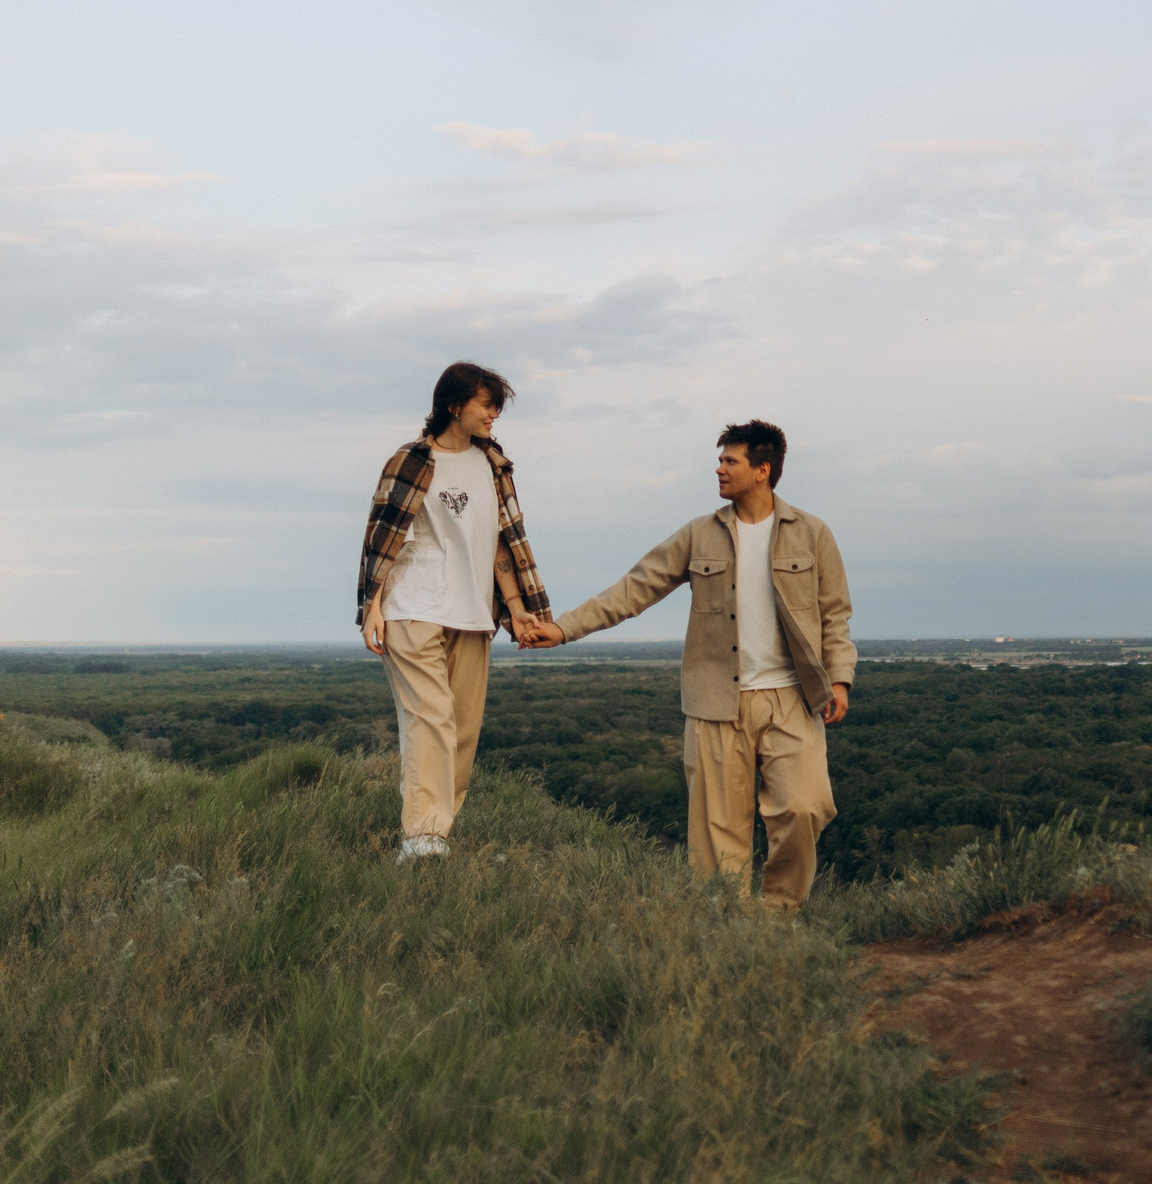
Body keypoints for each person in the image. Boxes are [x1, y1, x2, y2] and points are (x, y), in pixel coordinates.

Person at [525, 421, 855, 912]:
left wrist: (840, 678)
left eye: (730, 461)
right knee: (718, 838)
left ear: (762, 470)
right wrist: (564, 627)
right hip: (715, 702)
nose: (718, 469)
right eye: (720, 460)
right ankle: (729, 931)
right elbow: (635, 588)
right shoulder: (700, 534)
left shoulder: (812, 533)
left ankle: (779, 917)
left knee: (804, 808)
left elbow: (835, 614)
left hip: (792, 698)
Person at [358, 362, 562, 863]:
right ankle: (423, 839)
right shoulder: (411, 461)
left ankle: (433, 828)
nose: (495, 415)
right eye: (486, 405)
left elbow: (501, 545)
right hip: (412, 607)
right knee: (431, 719)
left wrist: (517, 609)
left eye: (497, 407)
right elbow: (383, 539)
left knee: (462, 731)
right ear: (454, 406)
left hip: (472, 613)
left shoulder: (493, 465)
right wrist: (372, 608)